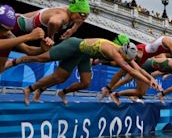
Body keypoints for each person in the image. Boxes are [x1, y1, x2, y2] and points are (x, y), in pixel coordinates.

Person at [14, 37, 161, 105]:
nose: (128, 61)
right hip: (73, 46)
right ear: (124, 54)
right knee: (43, 59)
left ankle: (61, 92)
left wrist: (151, 79)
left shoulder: (122, 52)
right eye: (127, 59)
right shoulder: (113, 52)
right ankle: (21, 64)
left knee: (85, 83)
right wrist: (149, 80)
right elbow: (131, 70)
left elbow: (136, 68)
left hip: (84, 55)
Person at [13, 0, 90, 42]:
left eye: (86, 15)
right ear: (74, 11)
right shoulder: (63, 16)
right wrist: (50, 37)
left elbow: (81, 19)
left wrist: (73, 30)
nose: (83, 19)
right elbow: (53, 22)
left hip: (19, 27)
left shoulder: (75, 14)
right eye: (82, 15)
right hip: (14, 24)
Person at [0, 5, 53, 73]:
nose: (5, 33)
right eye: (3, 29)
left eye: (8, 30)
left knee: (7, 46)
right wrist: (29, 36)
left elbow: (28, 50)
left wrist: (42, 49)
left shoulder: (7, 34)